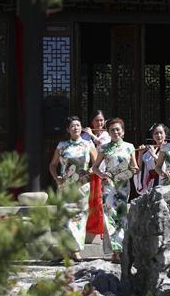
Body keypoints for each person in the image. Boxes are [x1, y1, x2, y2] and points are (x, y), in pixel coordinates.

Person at [48, 116, 96, 261]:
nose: (76, 128)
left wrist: (88, 172)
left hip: (82, 187)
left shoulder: (88, 144)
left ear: (81, 128)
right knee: (65, 219)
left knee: (79, 218)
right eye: (72, 126)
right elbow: (52, 165)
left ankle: (75, 250)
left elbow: (97, 165)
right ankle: (68, 249)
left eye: (78, 125)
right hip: (66, 187)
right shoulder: (62, 145)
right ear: (68, 129)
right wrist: (57, 178)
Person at [90, 118, 137, 259]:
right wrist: (102, 175)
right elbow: (95, 167)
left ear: (122, 131)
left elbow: (134, 166)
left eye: (118, 129)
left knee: (122, 216)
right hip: (109, 186)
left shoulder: (129, 146)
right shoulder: (104, 148)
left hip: (123, 185)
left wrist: (132, 170)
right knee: (110, 216)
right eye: (112, 130)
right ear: (108, 132)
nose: (115, 132)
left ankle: (121, 248)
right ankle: (116, 251)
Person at [82, 110, 111, 244]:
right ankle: (89, 228)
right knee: (90, 203)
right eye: (96, 120)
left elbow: (102, 146)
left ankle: (103, 231)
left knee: (102, 203)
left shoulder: (107, 134)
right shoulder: (85, 136)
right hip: (88, 174)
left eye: (101, 120)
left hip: (103, 174)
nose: (99, 123)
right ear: (92, 122)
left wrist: (92, 134)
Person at [135, 123, 165, 194]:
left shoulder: (169, 149)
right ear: (153, 136)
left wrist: (154, 155)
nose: (159, 135)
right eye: (156, 133)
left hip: (164, 182)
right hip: (151, 183)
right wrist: (140, 153)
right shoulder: (149, 150)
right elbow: (140, 168)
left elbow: (164, 166)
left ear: (165, 134)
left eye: (161, 133)